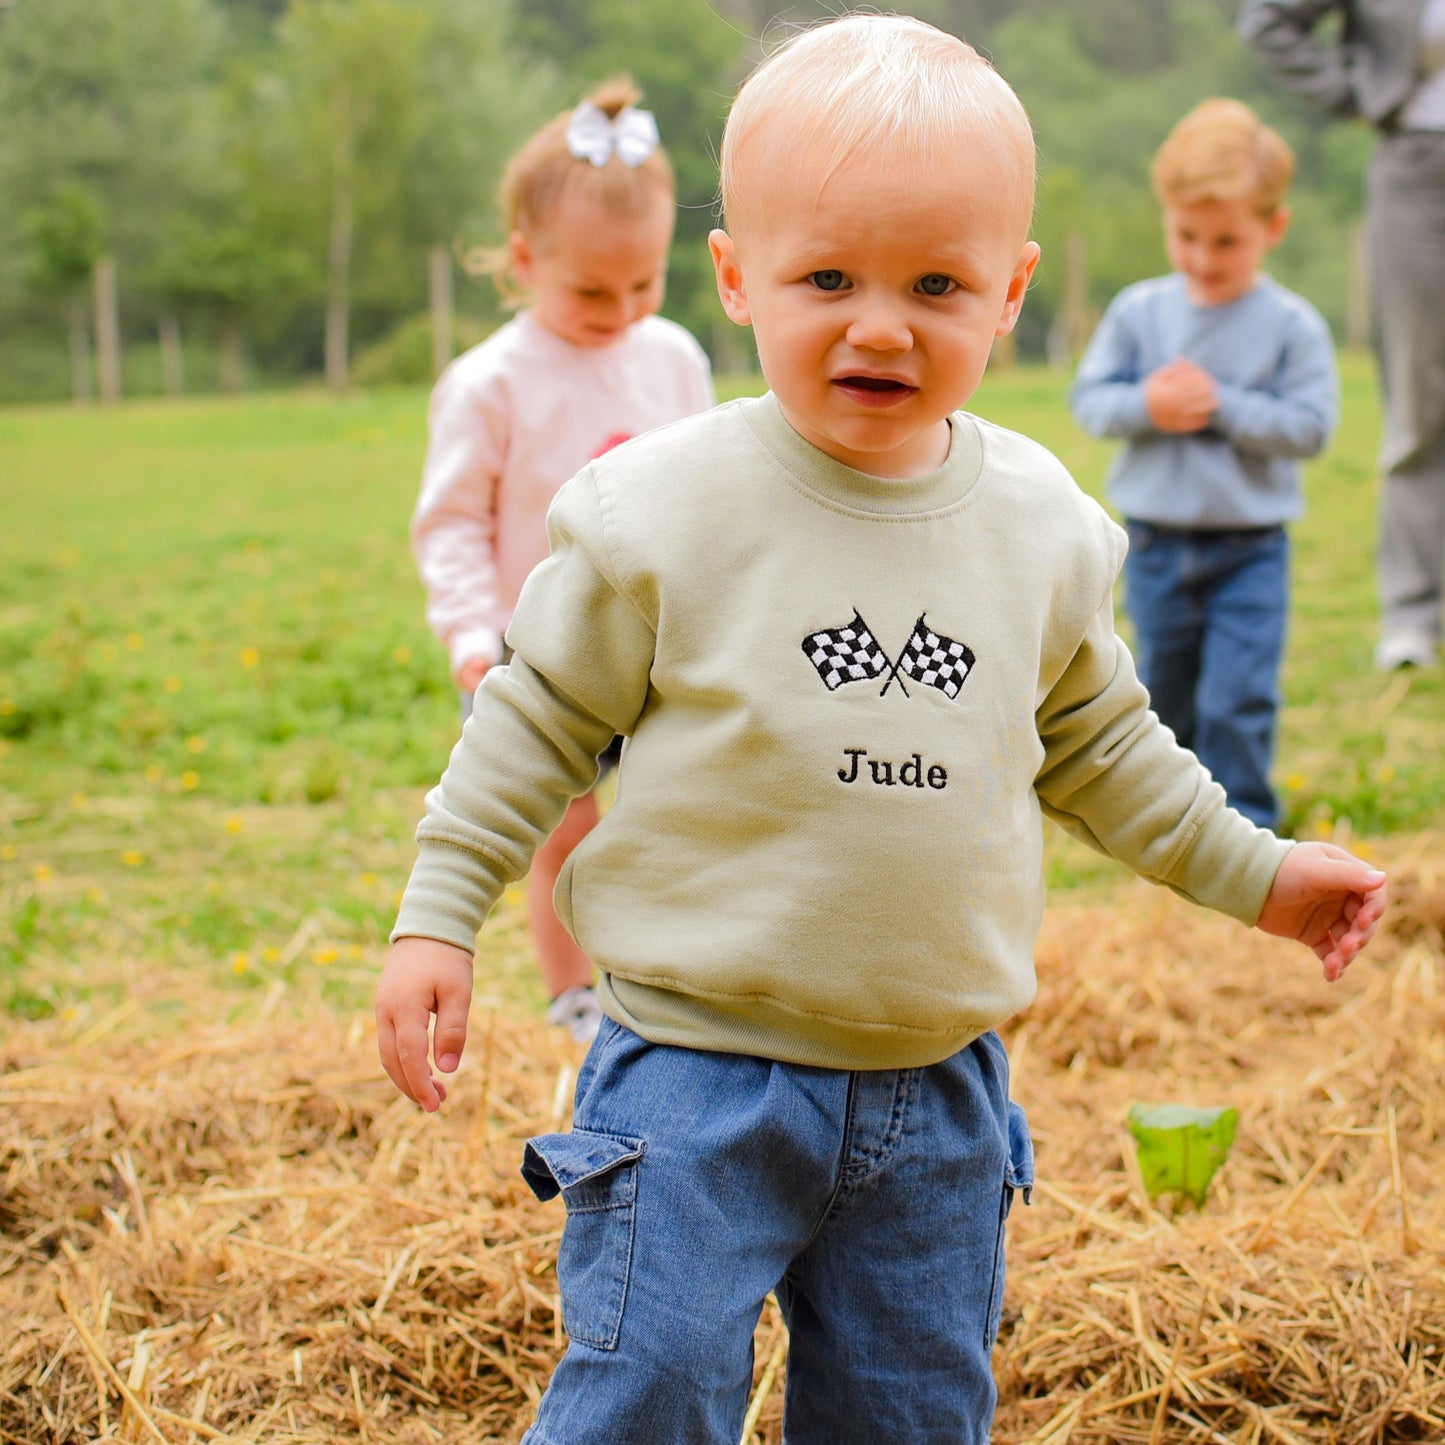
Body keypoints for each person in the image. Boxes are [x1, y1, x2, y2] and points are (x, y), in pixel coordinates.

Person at [376, 17, 1388, 1443]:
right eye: (828, 277)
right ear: (736, 276)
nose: (878, 322)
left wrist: (1259, 874)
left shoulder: (1038, 528)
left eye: (935, 282)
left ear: (1011, 291)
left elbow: (1108, 753)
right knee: (645, 1388)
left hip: (939, 1095)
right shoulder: (664, 511)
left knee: (912, 1412)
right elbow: (529, 726)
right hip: (688, 1077)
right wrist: (436, 918)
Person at [410, 79, 714, 1043]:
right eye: (592, 290)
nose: (620, 309)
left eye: (643, 284)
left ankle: (672, 976)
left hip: (659, 643)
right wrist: (467, 633)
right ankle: (571, 996)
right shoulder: (490, 383)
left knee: (675, 817)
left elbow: (708, 488)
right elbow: (452, 521)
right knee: (563, 827)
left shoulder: (671, 357)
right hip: (533, 652)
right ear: (524, 256)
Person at [1068, 98, 1337, 831]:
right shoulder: (1137, 312)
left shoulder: (1290, 326)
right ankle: (1171, 825)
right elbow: (1091, 401)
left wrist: (1220, 405)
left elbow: (1310, 428)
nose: (1202, 258)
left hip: (1249, 549)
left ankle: (1244, 823)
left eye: (1225, 241)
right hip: (1154, 544)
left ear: (1271, 229)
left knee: (1238, 694)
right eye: (1186, 235)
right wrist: (1149, 406)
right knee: (1163, 692)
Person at [1240, 0, 1445, 671]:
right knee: (1418, 406)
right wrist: (1357, 93)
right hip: (1416, 164)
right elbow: (1267, 17)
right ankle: (1413, 613)